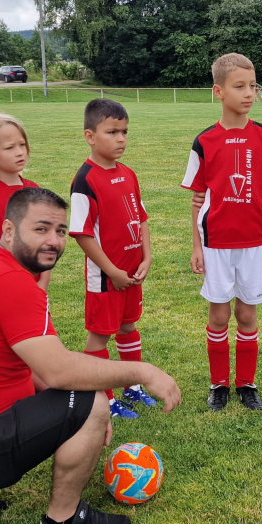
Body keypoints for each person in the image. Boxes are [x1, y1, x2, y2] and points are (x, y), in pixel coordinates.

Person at [0, 187, 181, 524]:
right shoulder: (9, 282)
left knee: (83, 402)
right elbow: (59, 371)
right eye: (41, 229)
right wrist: (142, 372)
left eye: (61, 231)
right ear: (8, 230)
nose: (53, 240)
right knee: (93, 403)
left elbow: (39, 369)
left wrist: (76, 414)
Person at [182, 53, 262, 411]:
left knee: (246, 314)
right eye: (239, 86)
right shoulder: (204, 141)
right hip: (215, 243)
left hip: (253, 241)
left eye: (253, 86)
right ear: (219, 91)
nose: (249, 93)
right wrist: (196, 246)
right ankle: (219, 385)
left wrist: (244, 192)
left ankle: (247, 384)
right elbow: (197, 200)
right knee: (219, 316)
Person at [69, 99, 157, 420]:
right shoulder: (85, 180)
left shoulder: (128, 174)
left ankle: (131, 386)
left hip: (132, 272)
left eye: (124, 132)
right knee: (99, 335)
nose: (121, 139)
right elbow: (81, 234)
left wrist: (146, 256)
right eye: (112, 132)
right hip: (106, 277)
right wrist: (112, 271)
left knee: (128, 326)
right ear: (90, 136)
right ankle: (103, 398)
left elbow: (141, 217)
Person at [0, 113, 50, 292]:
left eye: (22, 145)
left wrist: (42, 285)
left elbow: (46, 241)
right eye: (9, 147)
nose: (20, 152)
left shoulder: (35, 190)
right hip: (4, 288)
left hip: (36, 286)